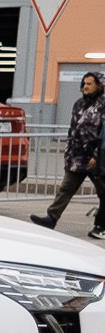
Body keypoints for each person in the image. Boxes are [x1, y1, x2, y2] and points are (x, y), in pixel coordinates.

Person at [34, 71, 105, 235]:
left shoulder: (103, 105)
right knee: (66, 188)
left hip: (96, 158)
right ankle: (50, 219)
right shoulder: (79, 104)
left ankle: (100, 226)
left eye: (89, 84)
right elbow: (73, 130)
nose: (85, 87)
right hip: (77, 157)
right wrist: (68, 152)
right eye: (84, 83)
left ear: (99, 85)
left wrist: (96, 155)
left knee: (104, 193)